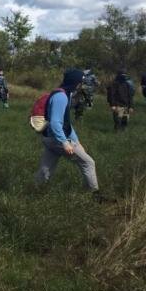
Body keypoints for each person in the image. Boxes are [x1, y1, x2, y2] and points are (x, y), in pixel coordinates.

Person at [35, 69, 102, 198]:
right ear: (75, 82)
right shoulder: (61, 97)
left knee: (45, 169)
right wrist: (65, 142)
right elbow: (55, 123)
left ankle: (35, 191)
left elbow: (66, 122)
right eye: (80, 82)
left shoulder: (63, 94)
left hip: (49, 138)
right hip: (57, 140)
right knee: (88, 163)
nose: (81, 85)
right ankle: (94, 196)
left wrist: (76, 142)